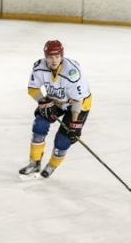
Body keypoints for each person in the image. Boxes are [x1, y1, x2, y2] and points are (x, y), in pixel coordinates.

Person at [19, 40, 92, 179]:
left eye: (57, 56)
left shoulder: (71, 72)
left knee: (63, 139)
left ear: (62, 56)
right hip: (56, 100)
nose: (54, 60)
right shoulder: (39, 67)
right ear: (45, 57)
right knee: (40, 124)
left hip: (79, 104)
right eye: (51, 57)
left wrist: (74, 124)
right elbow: (33, 89)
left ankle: (52, 165)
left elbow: (77, 100)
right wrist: (43, 101)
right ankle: (34, 162)